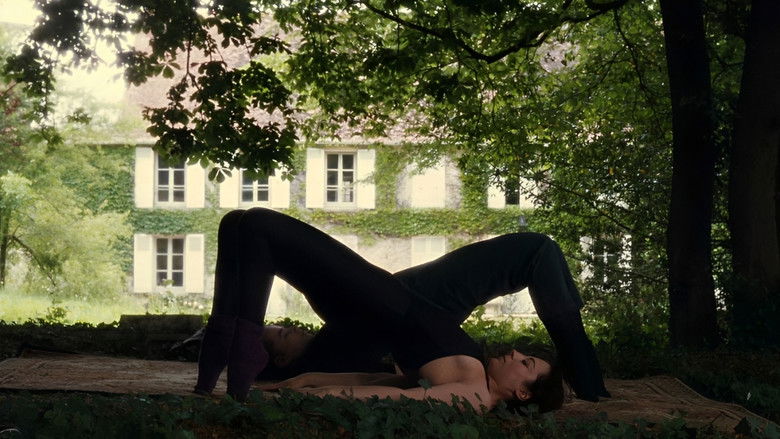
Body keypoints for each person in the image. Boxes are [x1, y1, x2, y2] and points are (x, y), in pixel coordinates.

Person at [194, 208, 607, 410]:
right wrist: (302, 380)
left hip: (381, 301)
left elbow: (387, 396)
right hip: (382, 300)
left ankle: (234, 352)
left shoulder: (474, 395)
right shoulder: (474, 376)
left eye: (526, 363)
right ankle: (221, 354)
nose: (516, 353)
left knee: (258, 226)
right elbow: (376, 378)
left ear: (522, 392)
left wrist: (316, 394)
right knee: (238, 223)